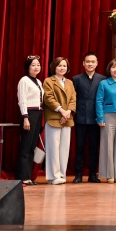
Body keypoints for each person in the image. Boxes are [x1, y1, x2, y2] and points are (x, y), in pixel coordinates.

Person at [42, 57, 77, 185]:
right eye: (59, 65)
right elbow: (48, 98)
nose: (62, 68)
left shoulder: (70, 82)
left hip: (67, 119)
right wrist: (62, 110)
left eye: (64, 66)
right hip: (53, 118)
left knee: (64, 149)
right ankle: (53, 176)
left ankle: (62, 174)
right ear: (54, 67)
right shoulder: (48, 81)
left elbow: (73, 98)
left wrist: (68, 112)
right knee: (53, 149)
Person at [72, 52, 105, 183]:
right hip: (80, 117)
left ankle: (92, 174)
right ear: (83, 63)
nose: (90, 64)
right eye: (88, 61)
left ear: (97, 64)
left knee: (94, 148)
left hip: (96, 118)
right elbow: (73, 98)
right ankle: (78, 174)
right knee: (79, 147)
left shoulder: (102, 79)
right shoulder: (76, 79)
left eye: (93, 62)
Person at [17, 56, 44, 185]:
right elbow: (22, 100)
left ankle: (29, 176)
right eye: (33, 65)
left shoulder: (38, 81)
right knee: (26, 146)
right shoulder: (24, 80)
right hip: (29, 114)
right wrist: (25, 118)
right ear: (28, 67)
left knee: (32, 146)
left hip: (38, 114)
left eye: (38, 64)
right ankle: (23, 177)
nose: (36, 67)